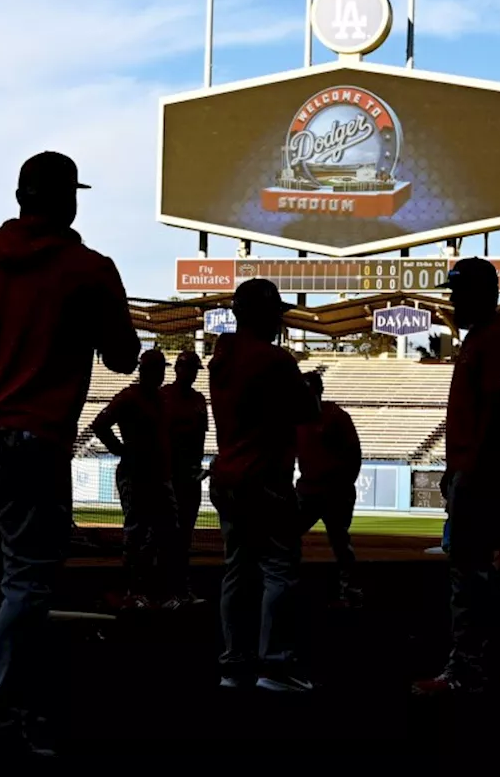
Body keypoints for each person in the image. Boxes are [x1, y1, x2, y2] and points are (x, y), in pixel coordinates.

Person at [0, 151, 139, 767]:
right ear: (69, 200)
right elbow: (124, 357)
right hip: (34, 438)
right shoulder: (89, 268)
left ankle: (2, 710)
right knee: (27, 581)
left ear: (20, 195)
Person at [413, 258, 500, 695]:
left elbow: (497, 414)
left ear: (483, 294)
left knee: (468, 577)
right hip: (485, 475)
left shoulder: (494, 339)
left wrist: (467, 474)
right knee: (487, 574)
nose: (452, 300)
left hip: (482, 477)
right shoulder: (487, 338)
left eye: (459, 291)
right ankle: (488, 663)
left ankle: (467, 669)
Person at [209, 278, 319, 693]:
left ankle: (234, 664)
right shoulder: (274, 360)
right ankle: (273, 666)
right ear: (261, 314)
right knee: (279, 571)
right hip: (265, 479)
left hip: (228, 476)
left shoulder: (223, 356)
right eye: (275, 312)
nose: (279, 320)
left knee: (236, 570)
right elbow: (307, 411)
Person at [92, 348, 184, 609]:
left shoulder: (160, 399)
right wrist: (121, 450)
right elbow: (100, 424)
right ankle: (132, 590)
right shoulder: (130, 397)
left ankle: (155, 589)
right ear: (144, 371)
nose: (159, 375)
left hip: (158, 474)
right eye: (155, 369)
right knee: (138, 532)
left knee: (162, 532)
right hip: (138, 475)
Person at [295, 371, 363, 606]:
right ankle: (291, 584)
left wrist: (344, 486)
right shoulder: (299, 420)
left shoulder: (336, 417)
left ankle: (350, 589)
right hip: (309, 490)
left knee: (340, 542)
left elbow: (354, 455)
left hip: (333, 492)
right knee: (289, 536)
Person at [160, 349, 209, 605]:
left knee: (184, 535)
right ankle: (166, 589)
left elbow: (201, 438)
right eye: (187, 368)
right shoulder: (164, 396)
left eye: (193, 370)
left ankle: (180, 588)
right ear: (178, 369)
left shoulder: (199, 400)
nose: (190, 374)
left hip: (190, 474)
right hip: (167, 474)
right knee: (166, 533)